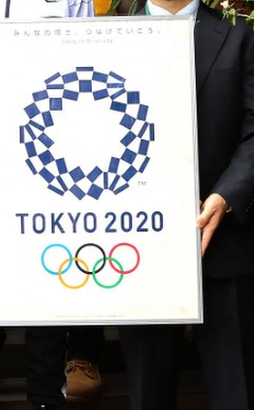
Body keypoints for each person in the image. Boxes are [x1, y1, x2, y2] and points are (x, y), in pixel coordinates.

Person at [0, 2, 97, 409]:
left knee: (47, 269)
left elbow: (87, 59)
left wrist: (71, 139)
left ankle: (46, 397)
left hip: (51, 139)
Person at [118, 2, 254, 409]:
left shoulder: (239, 35)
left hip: (224, 241)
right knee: (147, 394)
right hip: (135, 249)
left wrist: (227, 194)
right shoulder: (102, 38)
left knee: (237, 393)